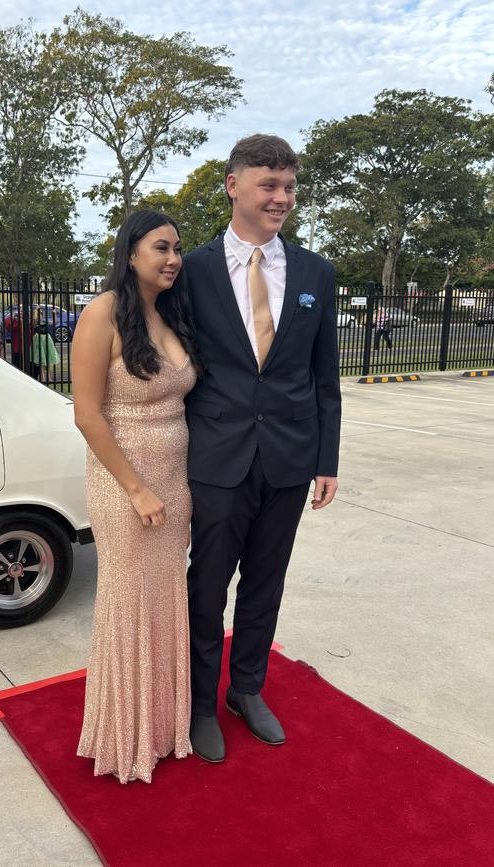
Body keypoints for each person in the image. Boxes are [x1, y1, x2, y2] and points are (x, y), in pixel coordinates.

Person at [183, 134, 342, 762]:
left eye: (289, 187)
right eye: (268, 185)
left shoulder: (314, 272)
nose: (281, 198)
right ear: (234, 185)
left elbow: (323, 376)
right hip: (217, 457)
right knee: (206, 586)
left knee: (265, 584)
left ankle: (245, 689)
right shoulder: (189, 270)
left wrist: (325, 459)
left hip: (289, 457)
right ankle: (199, 701)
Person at [72, 210, 202, 784]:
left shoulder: (169, 313)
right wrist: (136, 487)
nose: (173, 258)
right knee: (130, 600)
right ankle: (125, 735)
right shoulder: (102, 312)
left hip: (176, 480)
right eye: (160, 248)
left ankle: (163, 725)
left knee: (166, 598)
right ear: (130, 254)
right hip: (126, 483)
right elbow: (87, 415)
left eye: (176, 248)